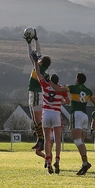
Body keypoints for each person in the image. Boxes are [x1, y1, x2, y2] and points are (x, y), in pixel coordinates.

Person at [32, 54, 70, 174]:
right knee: (58, 140)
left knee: (47, 140)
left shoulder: (45, 85)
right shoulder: (61, 89)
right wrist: (61, 101)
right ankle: (57, 160)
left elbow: (38, 74)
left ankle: (48, 161)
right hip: (56, 114)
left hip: (46, 113)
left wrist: (35, 62)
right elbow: (67, 101)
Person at [25, 28, 50, 157]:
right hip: (33, 93)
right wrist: (36, 39)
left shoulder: (39, 67)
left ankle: (42, 139)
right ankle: (40, 139)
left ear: (41, 62)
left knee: (37, 119)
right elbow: (38, 52)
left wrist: (29, 43)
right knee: (35, 120)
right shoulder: (41, 66)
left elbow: (32, 55)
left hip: (35, 93)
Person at [67, 72, 95, 174]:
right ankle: (84, 163)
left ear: (77, 79)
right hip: (85, 116)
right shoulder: (88, 91)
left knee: (77, 141)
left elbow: (58, 90)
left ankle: (85, 163)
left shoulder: (73, 87)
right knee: (81, 141)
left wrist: (48, 81)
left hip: (76, 114)